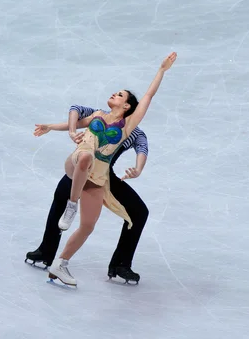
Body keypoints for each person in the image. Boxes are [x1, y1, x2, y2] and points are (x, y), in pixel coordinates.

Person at [40, 51, 177, 286]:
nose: (115, 93)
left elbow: (148, 97)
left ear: (126, 106)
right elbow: (73, 120)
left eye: (120, 94)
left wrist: (161, 71)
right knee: (85, 157)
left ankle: (60, 264)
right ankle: (71, 206)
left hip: (98, 176)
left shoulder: (128, 126)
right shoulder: (96, 114)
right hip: (78, 161)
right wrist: (50, 126)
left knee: (88, 226)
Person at [25, 104, 150, 284]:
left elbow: (142, 148)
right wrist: (69, 130)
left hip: (103, 175)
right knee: (62, 196)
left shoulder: (134, 132)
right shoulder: (101, 115)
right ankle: (46, 251)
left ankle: (120, 264)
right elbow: (76, 109)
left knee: (138, 212)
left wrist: (138, 169)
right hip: (82, 167)